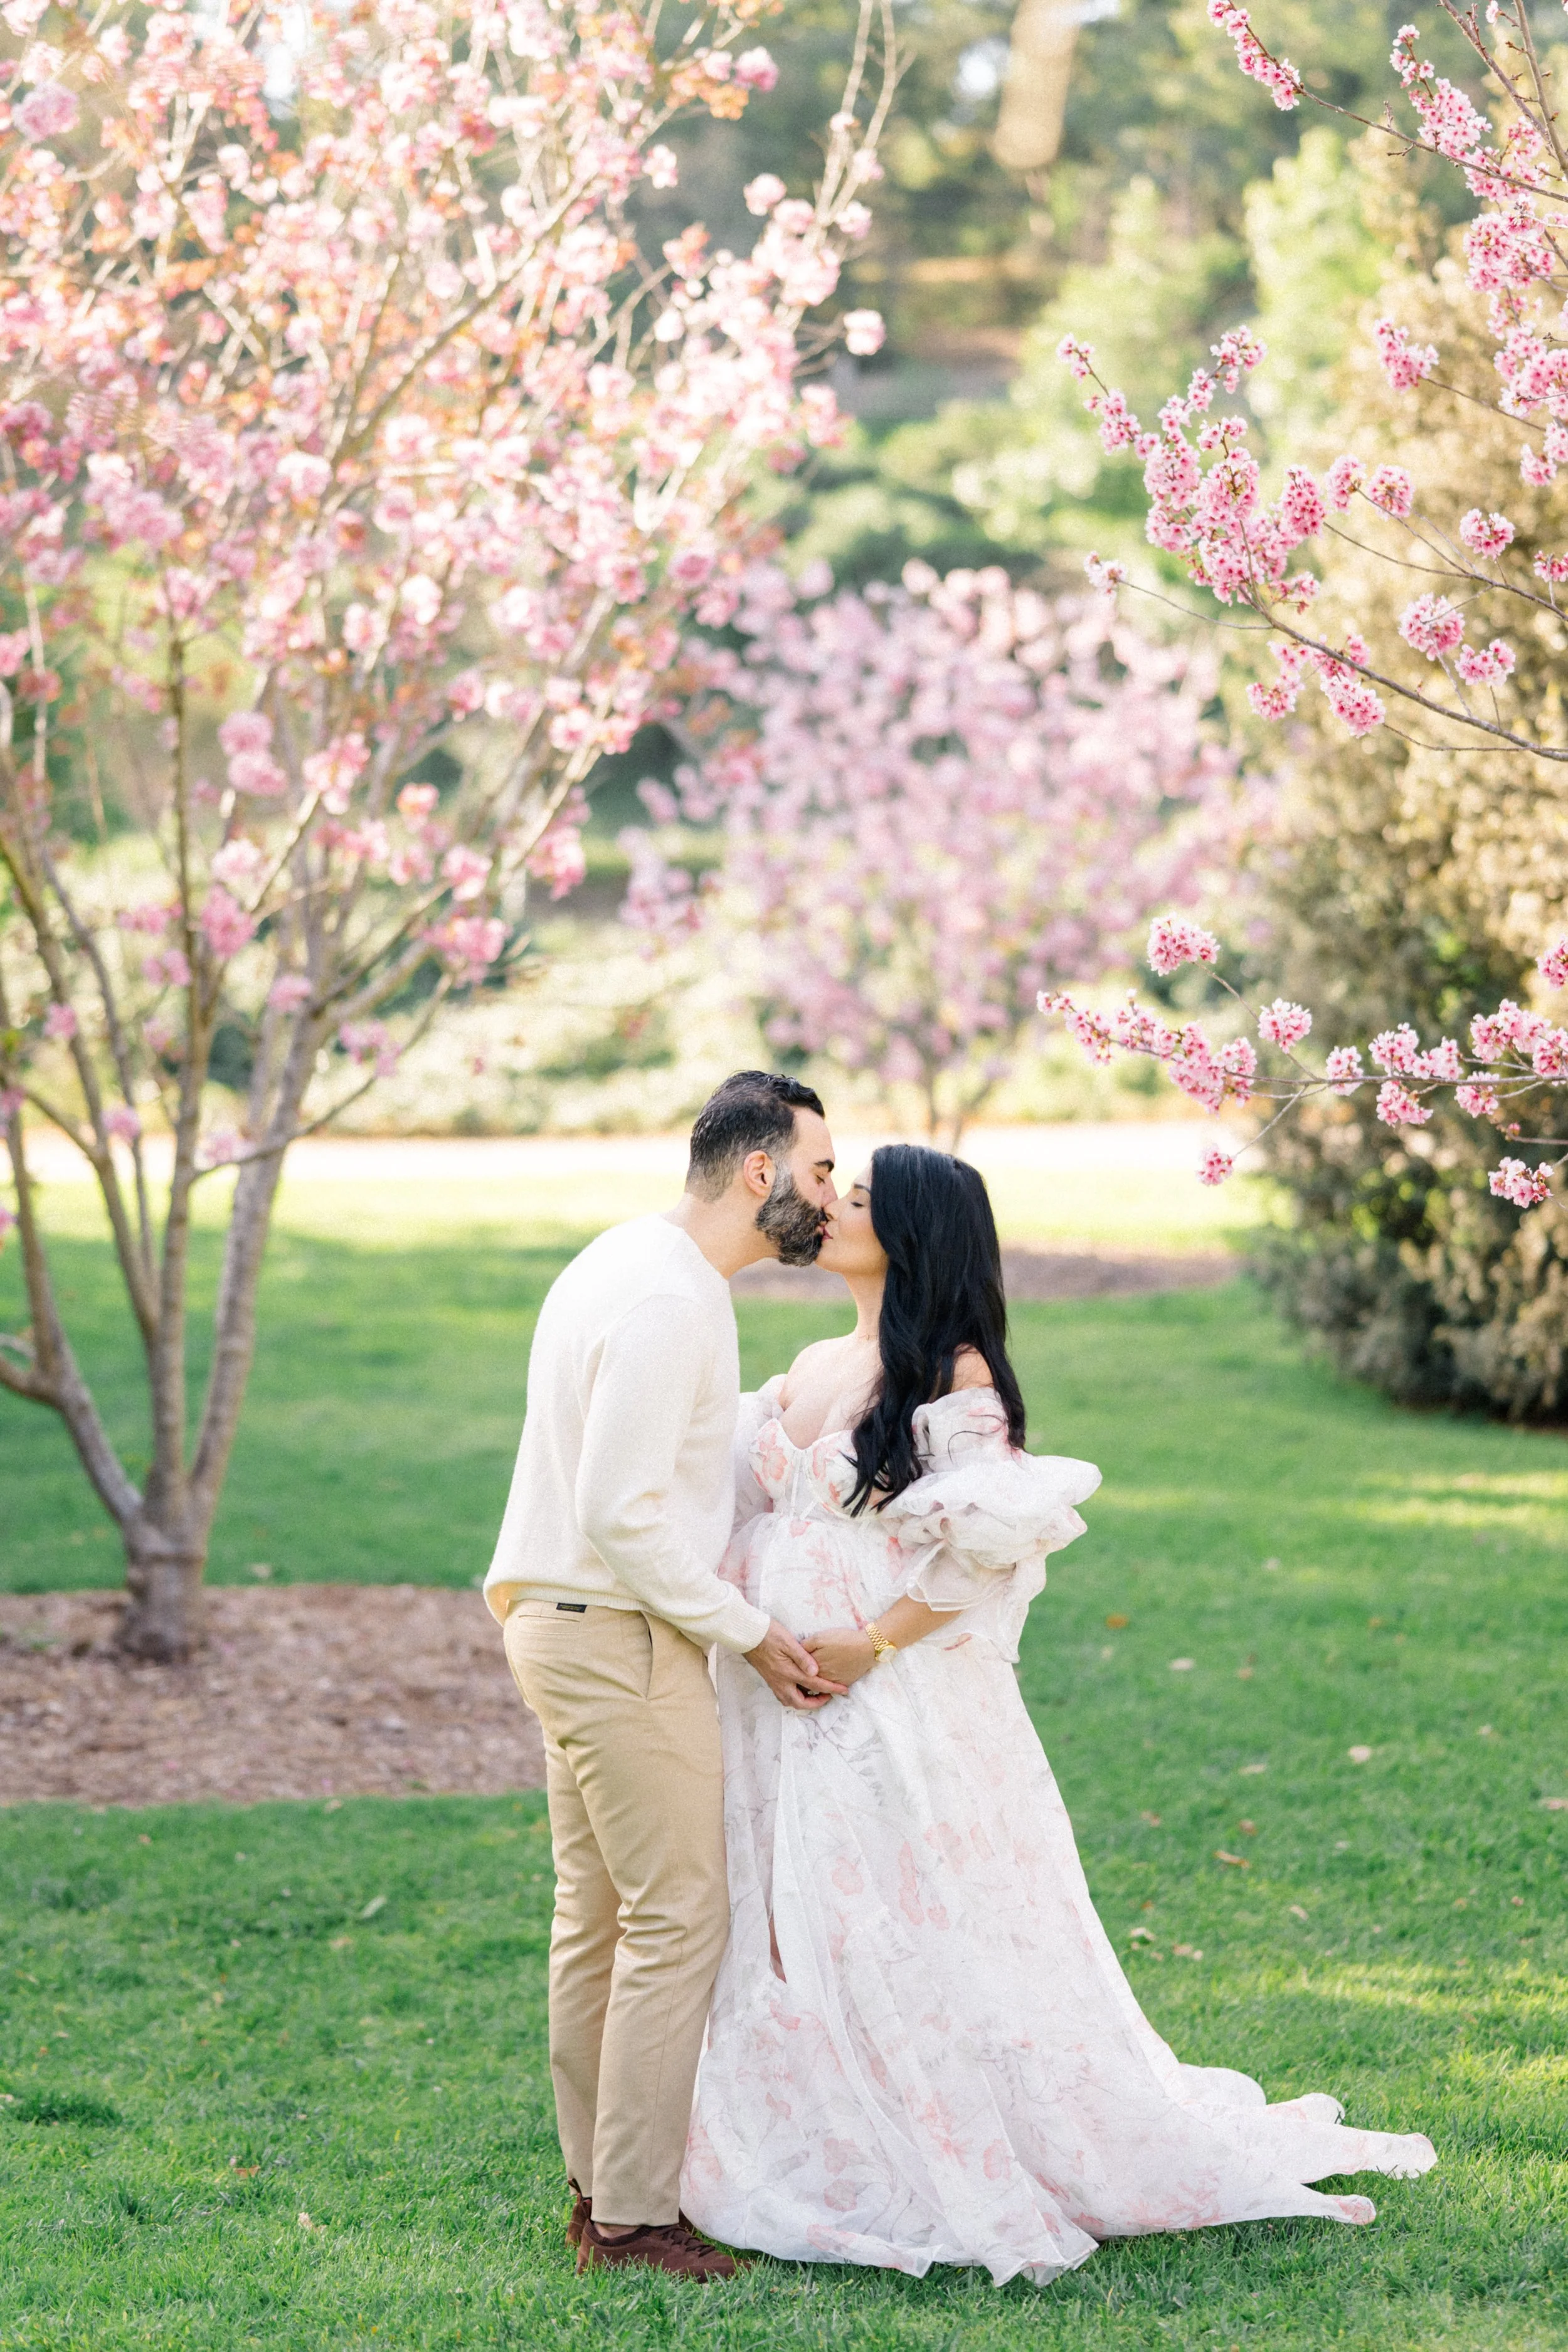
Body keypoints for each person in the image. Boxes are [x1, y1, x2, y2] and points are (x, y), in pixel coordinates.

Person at [683, 1142, 1438, 2287]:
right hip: (773, 1689)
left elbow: (984, 1551)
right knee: (803, 1903)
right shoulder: (812, 1359)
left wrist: (869, 1642)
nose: (830, 1205)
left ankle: (959, 2126)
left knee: (895, 1899)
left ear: (917, 1232)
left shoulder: (953, 1373)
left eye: (862, 1198)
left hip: (884, 1690)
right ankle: (826, 2113)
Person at [485, 1071, 847, 2283]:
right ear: (762, 1171)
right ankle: (634, 2217)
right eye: (820, 1170)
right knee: (678, 1914)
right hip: (617, 1634)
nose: (830, 1194)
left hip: (566, 1622)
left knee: (597, 1920)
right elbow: (619, 1508)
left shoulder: (634, 1262)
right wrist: (745, 1628)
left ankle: (603, 2193)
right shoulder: (668, 1298)